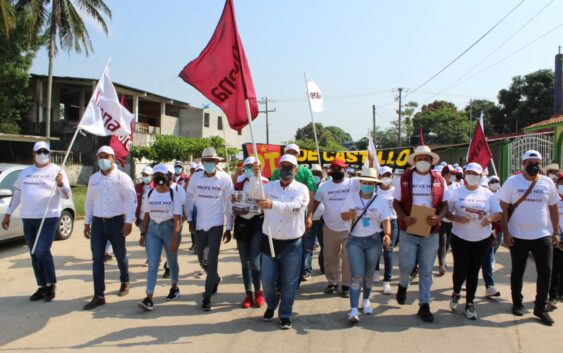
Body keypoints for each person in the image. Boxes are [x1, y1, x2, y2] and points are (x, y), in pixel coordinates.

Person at [2, 141, 71, 302]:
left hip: (48, 218)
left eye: (45, 151)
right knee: (34, 253)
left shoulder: (57, 171)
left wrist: (60, 183)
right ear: (33, 154)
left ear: (49, 153)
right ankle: (42, 286)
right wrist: (8, 214)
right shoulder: (26, 172)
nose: (42, 154)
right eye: (38, 151)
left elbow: (67, 195)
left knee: (42, 250)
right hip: (28, 218)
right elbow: (17, 195)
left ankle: (51, 283)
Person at [497, 150, 560, 326]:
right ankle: (517, 302)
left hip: (542, 235)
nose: (534, 165)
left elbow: (553, 208)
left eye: (537, 162)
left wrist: (555, 232)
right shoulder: (512, 182)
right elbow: (502, 208)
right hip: (518, 235)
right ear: (523, 164)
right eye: (530, 162)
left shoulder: (547, 183)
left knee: (546, 271)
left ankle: (540, 307)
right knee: (518, 270)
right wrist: (506, 233)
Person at [254, 154, 309, 330]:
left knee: (289, 282)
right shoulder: (269, 186)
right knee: (267, 280)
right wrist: (255, 177)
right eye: (283, 166)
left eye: (290, 166)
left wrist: (272, 204)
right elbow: (253, 193)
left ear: (296, 170)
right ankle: (271, 304)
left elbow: (294, 209)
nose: (286, 169)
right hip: (269, 240)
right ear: (278, 168)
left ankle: (285, 314)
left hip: (292, 244)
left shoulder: (302, 189)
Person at [393, 145, 448, 323]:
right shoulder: (404, 179)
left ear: (431, 161)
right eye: (419, 158)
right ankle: (403, 285)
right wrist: (404, 217)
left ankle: (424, 305)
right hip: (408, 230)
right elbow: (396, 203)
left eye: (426, 159)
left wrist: (439, 217)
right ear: (414, 161)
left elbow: (445, 203)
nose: (423, 162)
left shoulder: (439, 180)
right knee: (406, 265)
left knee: (426, 270)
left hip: (431, 231)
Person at [83, 146, 137, 310]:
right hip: (98, 223)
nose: (103, 159)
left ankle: (125, 280)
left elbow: (131, 201)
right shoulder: (94, 179)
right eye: (100, 156)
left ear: (113, 158)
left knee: (120, 255)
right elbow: (89, 201)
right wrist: (87, 222)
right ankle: (99, 295)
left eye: (106, 156)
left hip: (117, 223)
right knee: (97, 259)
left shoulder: (123, 178)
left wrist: (129, 222)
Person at [447, 163, 502, 320]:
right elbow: (447, 213)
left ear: (480, 176)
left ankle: (470, 303)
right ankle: (456, 291)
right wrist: (456, 218)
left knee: (474, 271)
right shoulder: (456, 192)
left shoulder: (487, 194)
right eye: (469, 172)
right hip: (460, 237)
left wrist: (490, 218)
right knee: (460, 269)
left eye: (475, 173)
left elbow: (498, 213)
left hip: (481, 239)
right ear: (464, 175)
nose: (472, 175)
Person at [186, 147, 233, 311]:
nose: (209, 164)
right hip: (199, 224)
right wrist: (190, 219)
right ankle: (215, 278)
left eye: (211, 161)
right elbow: (189, 197)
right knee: (201, 259)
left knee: (212, 260)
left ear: (217, 162)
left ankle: (207, 297)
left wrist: (229, 226)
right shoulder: (196, 177)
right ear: (202, 162)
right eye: (205, 161)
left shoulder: (225, 179)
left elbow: (229, 203)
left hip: (216, 224)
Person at [341, 168, 391, 323]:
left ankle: (366, 300)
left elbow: (386, 220)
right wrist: (349, 215)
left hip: (373, 241)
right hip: (355, 240)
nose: (367, 185)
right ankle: (354, 309)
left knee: (369, 274)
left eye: (371, 183)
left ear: (375, 184)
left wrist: (387, 234)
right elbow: (342, 215)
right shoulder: (352, 197)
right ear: (360, 182)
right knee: (356, 275)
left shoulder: (381, 200)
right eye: (365, 182)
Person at [137, 164, 183, 311]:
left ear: (167, 176)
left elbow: (177, 218)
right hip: (153, 230)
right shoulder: (149, 194)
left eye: (162, 175)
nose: (159, 178)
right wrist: (143, 234)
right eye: (156, 175)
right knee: (153, 264)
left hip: (169, 229)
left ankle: (174, 287)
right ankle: (149, 297)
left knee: (172, 260)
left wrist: (175, 238)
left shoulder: (173, 194)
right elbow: (146, 215)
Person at [313, 159, 358, 297]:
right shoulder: (324, 187)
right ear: (330, 171)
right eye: (334, 169)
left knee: (347, 258)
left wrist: (371, 161)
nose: (337, 171)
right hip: (330, 227)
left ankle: (346, 285)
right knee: (330, 257)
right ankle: (332, 282)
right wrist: (309, 217)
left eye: (340, 169)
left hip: (348, 228)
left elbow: (371, 181)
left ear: (345, 169)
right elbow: (315, 203)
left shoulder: (353, 183)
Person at [233, 156, 268, 308]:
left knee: (254, 261)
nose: (250, 169)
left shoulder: (265, 182)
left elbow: (263, 198)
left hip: (258, 223)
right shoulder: (239, 183)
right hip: (241, 223)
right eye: (248, 166)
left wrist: (256, 178)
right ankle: (248, 294)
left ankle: (258, 291)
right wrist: (228, 227)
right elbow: (231, 204)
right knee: (244, 261)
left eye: (254, 166)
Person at [373, 166, 399, 295]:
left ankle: (387, 281)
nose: (386, 178)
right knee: (376, 250)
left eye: (388, 175)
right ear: (379, 177)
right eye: (383, 175)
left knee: (388, 252)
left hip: (392, 222)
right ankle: (376, 271)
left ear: (392, 177)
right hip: (377, 223)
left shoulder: (396, 191)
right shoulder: (374, 190)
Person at [480, 175, 503, 298]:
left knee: (487, 258)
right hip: (471, 234)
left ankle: (489, 286)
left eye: (496, 181)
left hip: (491, 230)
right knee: (469, 261)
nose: (494, 183)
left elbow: (500, 212)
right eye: (492, 182)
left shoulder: (499, 195)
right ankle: (461, 283)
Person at [302, 164, 324, 281]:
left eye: (318, 174)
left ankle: (324, 267)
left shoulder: (325, 186)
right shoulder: (305, 187)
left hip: (323, 221)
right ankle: (306, 271)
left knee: (324, 247)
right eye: (313, 173)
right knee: (307, 248)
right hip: (308, 221)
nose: (316, 176)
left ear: (321, 175)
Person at [436, 164, 459, 276]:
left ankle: (443, 260)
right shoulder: (440, 185)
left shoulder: (457, 186)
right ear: (444, 174)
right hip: (441, 218)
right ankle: (441, 264)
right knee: (442, 241)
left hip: (453, 220)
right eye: (451, 174)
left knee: (447, 243)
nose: (453, 176)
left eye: (454, 174)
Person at [548, 173, 563, 306]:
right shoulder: (553, 201)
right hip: (556, 238)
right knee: (555, 268)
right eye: (562, 184)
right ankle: (553, 296)